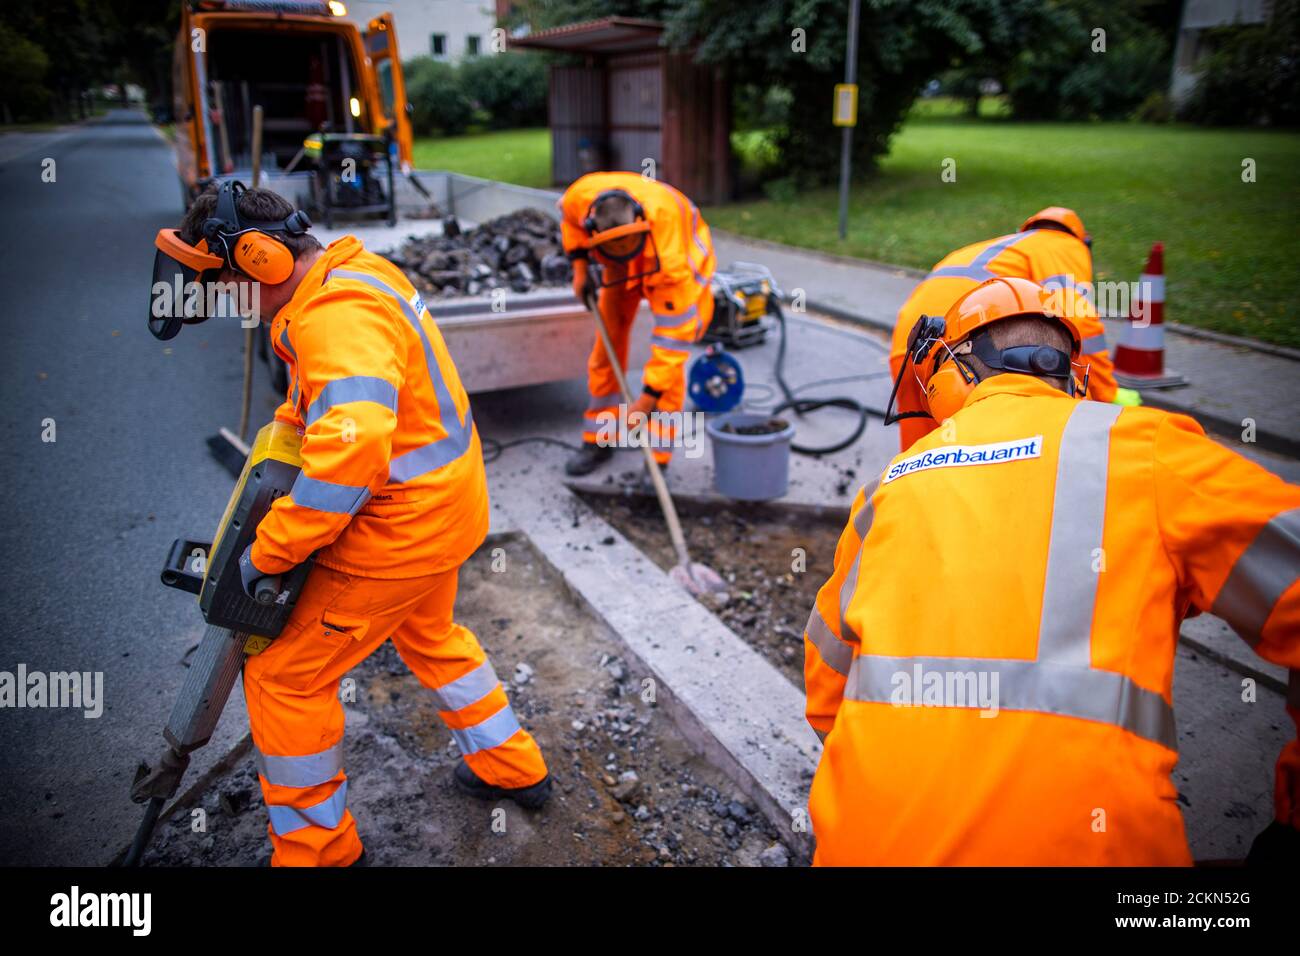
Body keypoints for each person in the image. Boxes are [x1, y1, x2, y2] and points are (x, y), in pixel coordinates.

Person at [805, 275, 1299, 865]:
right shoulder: (1148, 452)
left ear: (948, 372)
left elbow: (826, 694)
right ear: (1074, 377)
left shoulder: (887, 489)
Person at [167, 182, 550, 866]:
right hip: (446, 508)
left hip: (399, 531)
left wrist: (273, 551)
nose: (227, 299)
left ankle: (317, 852)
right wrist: (285, 436)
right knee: (431, 633)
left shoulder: (333, 316)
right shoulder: (354, 274)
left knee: (286, 676)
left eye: (227, 283)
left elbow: (353, 451)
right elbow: (328, 403)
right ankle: (511, 766)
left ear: (259, 259)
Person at [888, 206, 1122, 452]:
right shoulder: (1067, 246)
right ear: (1084, 242)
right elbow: (1082, 322)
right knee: (993, 461)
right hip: (968, 356)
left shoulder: (1002, 246)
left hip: (910, 347)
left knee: (919, 460)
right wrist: (1105, 396)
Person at [557, 171, 716, 476]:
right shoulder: (580, 197)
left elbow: (672, 343)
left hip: (671, 261)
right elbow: (570, 222)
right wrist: (579, 268)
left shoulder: (674, 263)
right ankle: (599, 440)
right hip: (616, 258)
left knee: (668, 374)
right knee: (607, 347)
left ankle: (657, 461)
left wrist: (646, 399)